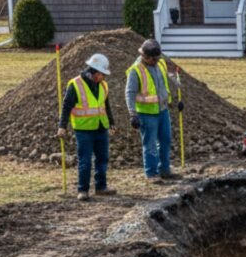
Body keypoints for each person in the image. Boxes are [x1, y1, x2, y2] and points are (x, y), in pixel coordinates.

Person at [56, 53, 116, 201]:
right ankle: (83, 190)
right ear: (95, 72)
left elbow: (106, 105)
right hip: (84, 130)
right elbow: (66, 106)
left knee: (103, 158)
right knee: (85, 160)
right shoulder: (75, 85)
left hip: (101, 127)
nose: (104, 77)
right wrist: (62, 126)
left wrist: (111, 123)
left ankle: (101, 187)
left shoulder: (103, 85)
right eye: (103, 74)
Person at [126, 39, 183, 183]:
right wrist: (132, 113)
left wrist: (175, 85)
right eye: (154, 59)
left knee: (165, 140)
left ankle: (164, 170)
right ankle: (151, 174)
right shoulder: (136, 70)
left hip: (163, 110)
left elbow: (165, 80)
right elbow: (130, 92)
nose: (157, 61)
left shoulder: (160, 64)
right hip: (146, 113)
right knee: (150, 144)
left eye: (158, 58)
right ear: (145, 56)